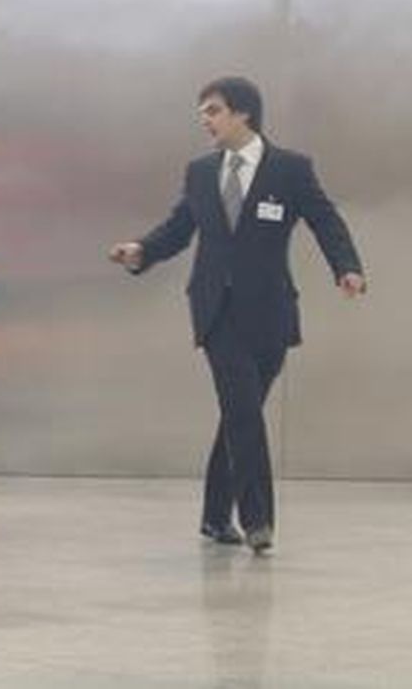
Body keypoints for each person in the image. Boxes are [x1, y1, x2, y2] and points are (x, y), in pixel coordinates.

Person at [109, 75, 365, 554]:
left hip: (270, 311)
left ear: (243, 113)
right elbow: (180, 228)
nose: (204, 120)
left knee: (238, 414)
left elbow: (325, 220)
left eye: (212, 110)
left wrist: (346, 268)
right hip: (216, 311)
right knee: (243, 410)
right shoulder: (201, 172)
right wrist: (141, 250)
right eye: (202, 112)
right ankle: (258, 520)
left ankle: (212, 516)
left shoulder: (290, 169)